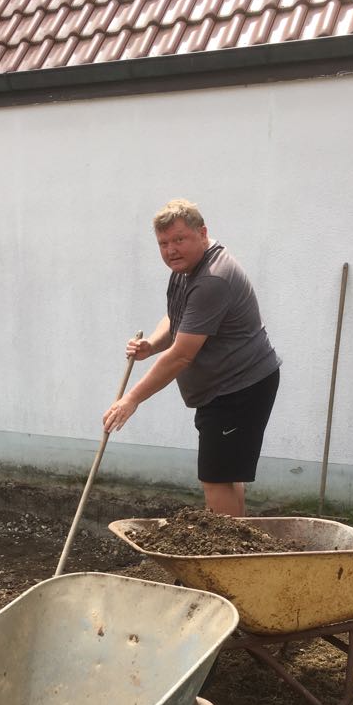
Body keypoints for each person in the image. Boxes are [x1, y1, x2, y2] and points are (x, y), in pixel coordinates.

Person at [103, 199, 280, 516]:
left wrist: (131, 399)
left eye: (179, 239)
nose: (171, 250)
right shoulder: (185, 269)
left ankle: (225, 546)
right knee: (226, 475)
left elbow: (181, 356)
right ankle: (236, 542)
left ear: (202, 233)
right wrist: (152, 344)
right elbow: (179, 318)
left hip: (240, 388)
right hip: (226, 387)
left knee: (216, 478)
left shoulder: (212, 279)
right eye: (163, 243)